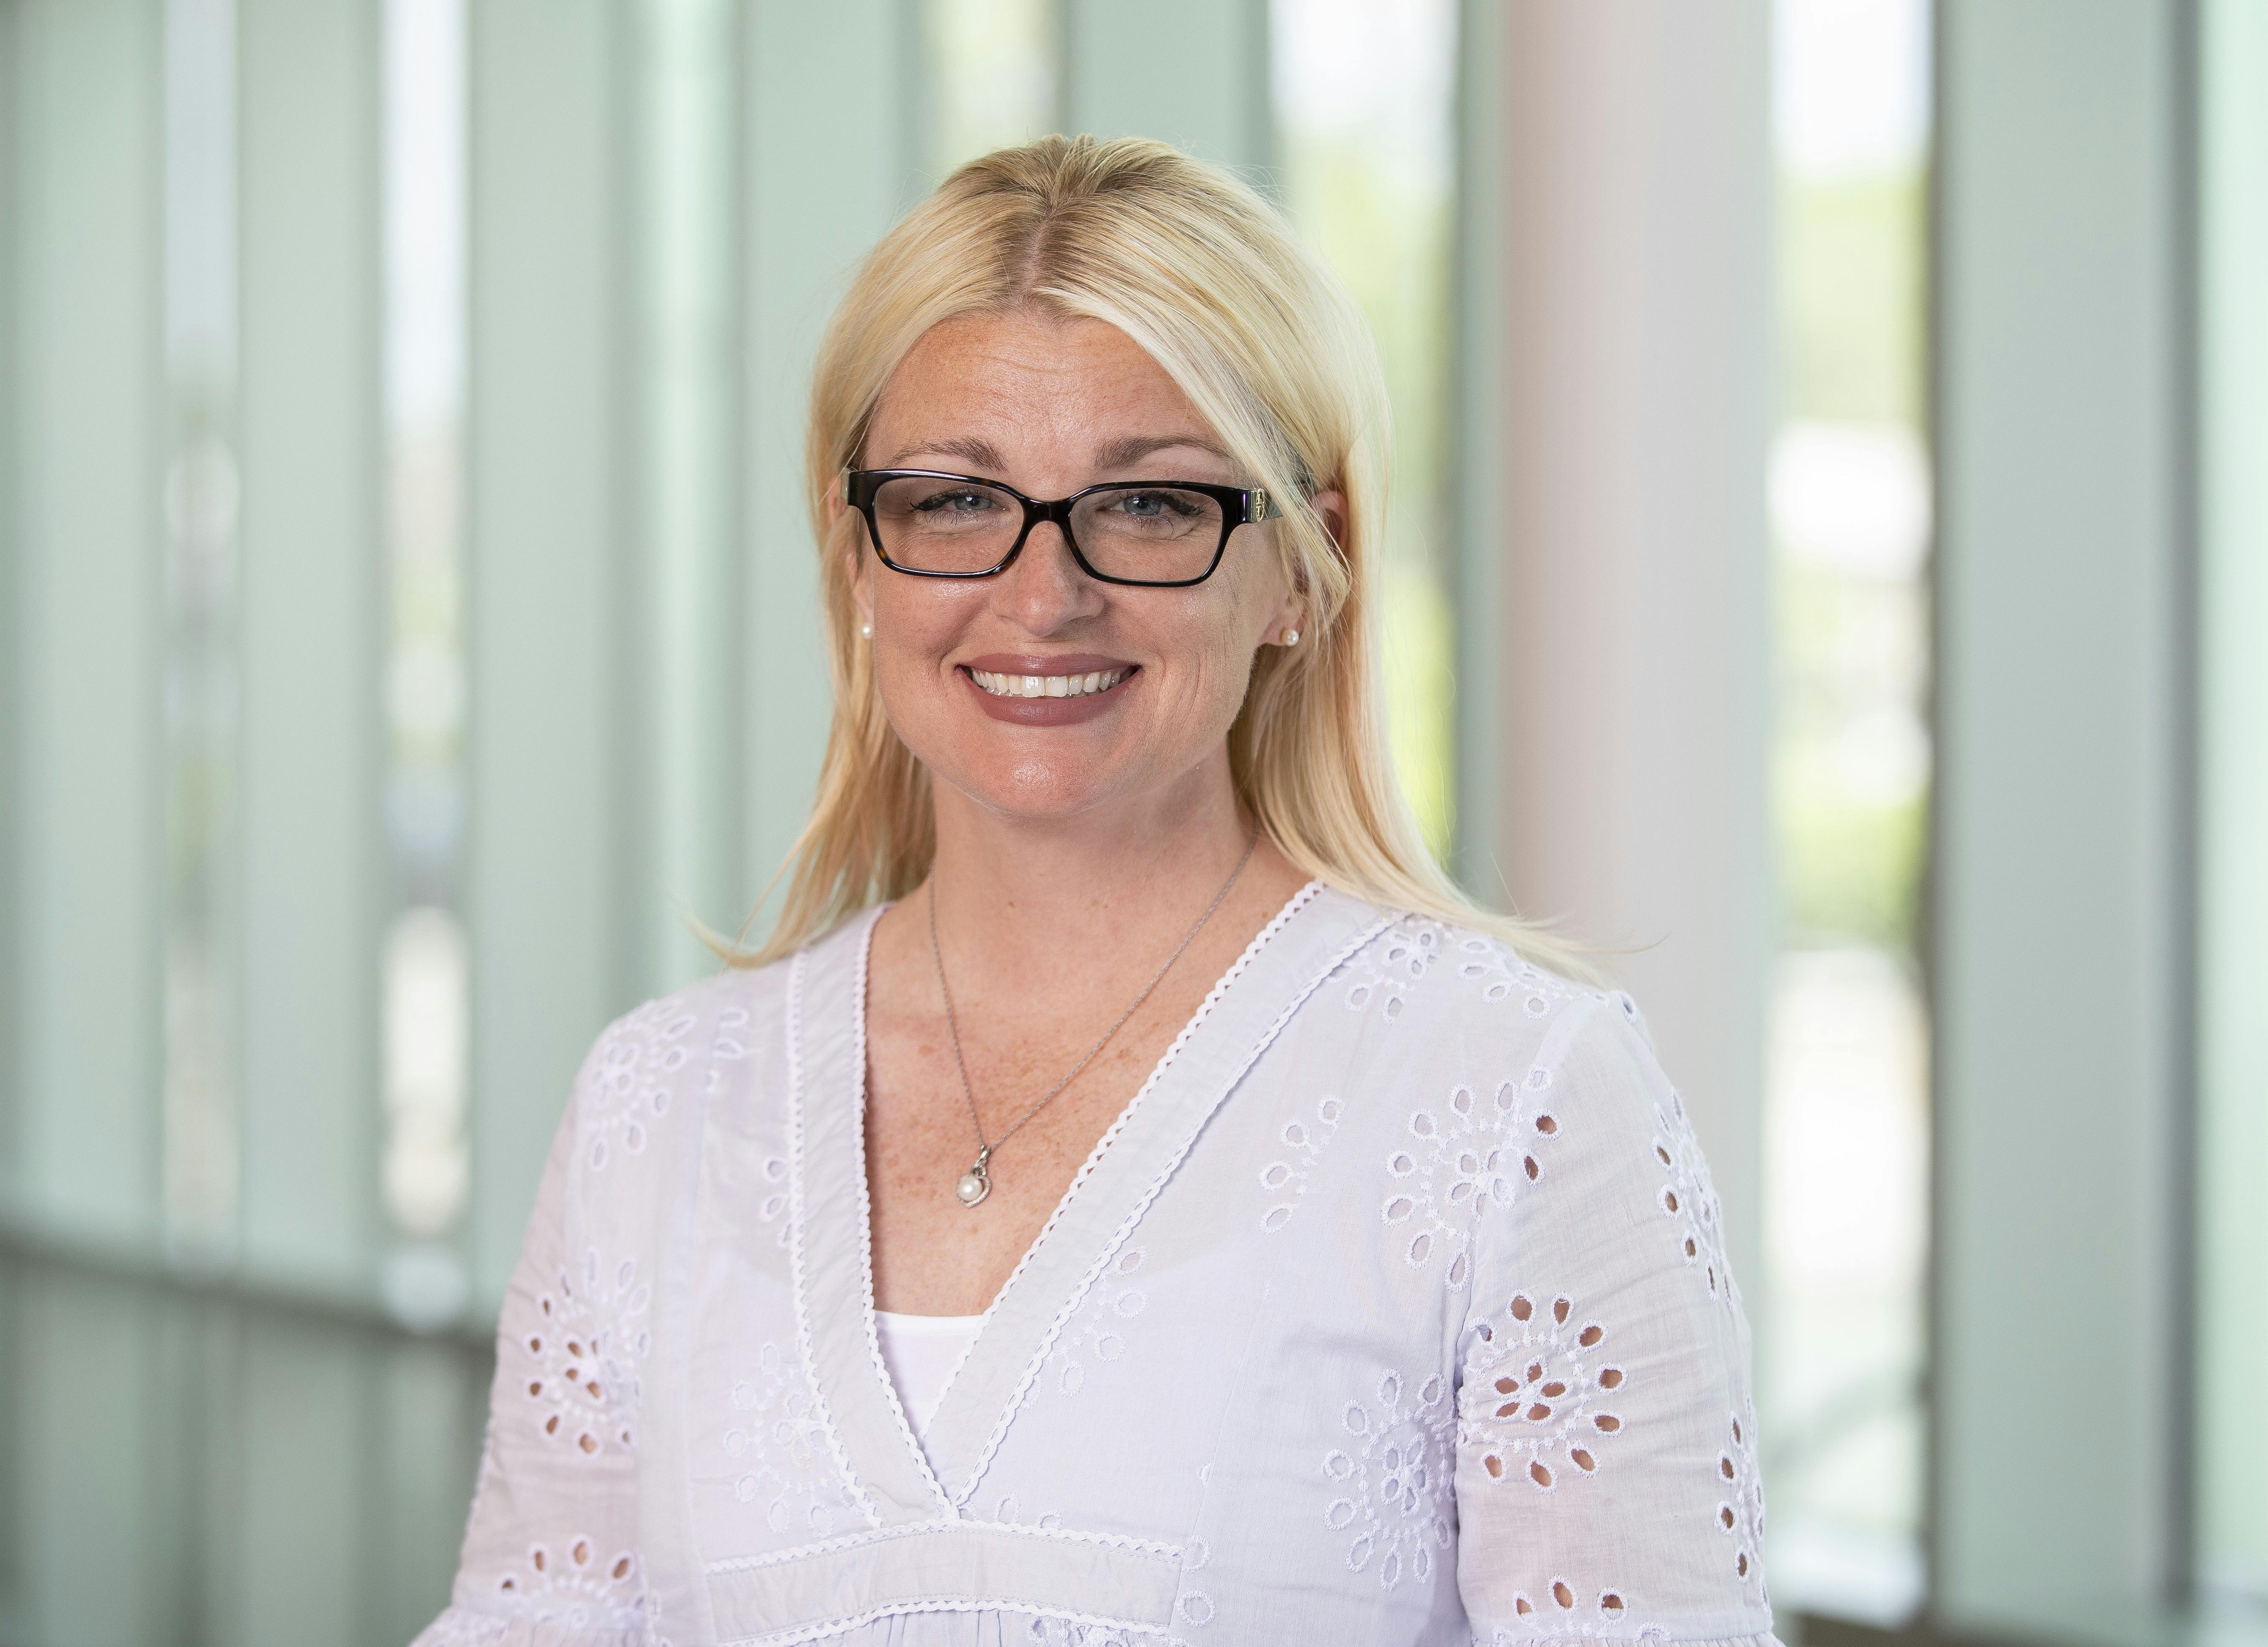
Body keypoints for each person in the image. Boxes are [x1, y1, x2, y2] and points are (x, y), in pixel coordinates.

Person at [414, 135, 1774, 1647]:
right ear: (857, 557)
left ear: (1304, 565)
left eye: (1149, 505)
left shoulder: (1516, 1095)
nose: (1044, 593)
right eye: (953, 500)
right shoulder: (657, 1108)